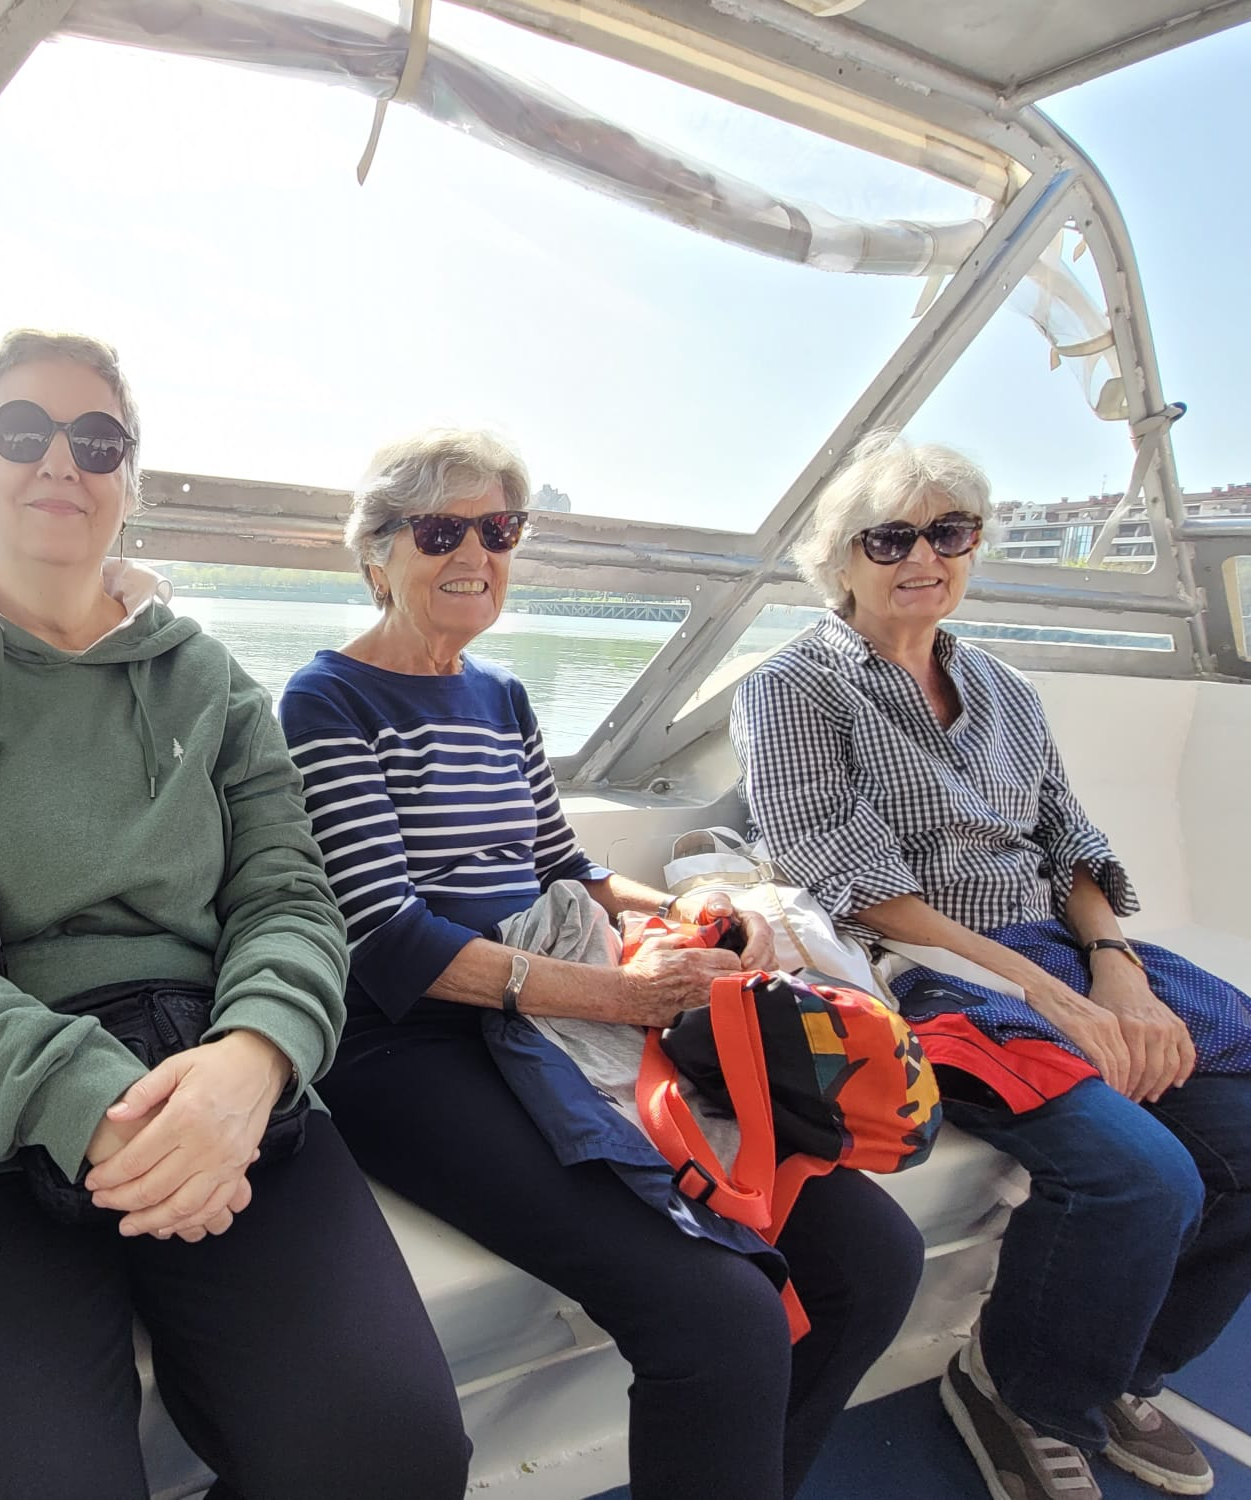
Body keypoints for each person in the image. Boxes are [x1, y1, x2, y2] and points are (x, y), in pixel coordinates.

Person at [0, 330, 467, 1500]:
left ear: (128, 478)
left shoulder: (209, 684)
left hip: (208, 1082)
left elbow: (290, 899)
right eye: (20, 431)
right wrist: (86, 1101)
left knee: (389, 1458)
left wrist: (251, 1061)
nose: (61, 460)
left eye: (95, 439)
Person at [277, 430, 923, 1500]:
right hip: (414, 1039)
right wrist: (623, 995)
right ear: (376, 555)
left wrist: (695, 907)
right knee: (718, 1318)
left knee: (872, 1263)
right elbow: (383, 933)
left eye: (498, 528)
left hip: (557, 1002)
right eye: (439, 531)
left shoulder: (500, 697)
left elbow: (563, 865)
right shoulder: (325, 703)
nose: (474, 552)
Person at [734, 428, 1251, 1500]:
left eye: (947, 532)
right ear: (840, 558)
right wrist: (1043, 992)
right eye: (889, 538)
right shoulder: (790, 689)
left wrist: (1109, 965)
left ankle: (1117, 1368)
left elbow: (1070, 843)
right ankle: (1016, 1390)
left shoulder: (1005, 690)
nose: (921, 557)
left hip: (1061, 950)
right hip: (919, 972)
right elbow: (859, 885)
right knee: (1137, 1177)